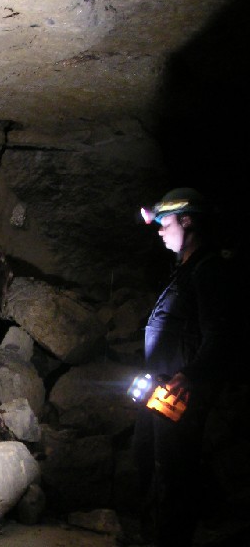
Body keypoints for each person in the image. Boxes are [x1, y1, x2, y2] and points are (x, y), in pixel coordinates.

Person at [132, 187, 235, 547]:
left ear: (187, 220)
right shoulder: (186, 271)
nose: (159, 230)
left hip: (179, 394)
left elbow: (220, 334)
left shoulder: (208, 271)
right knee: (152, 461)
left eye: (164, 222)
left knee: (174, 473)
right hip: (162, 392)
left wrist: (189, 376)